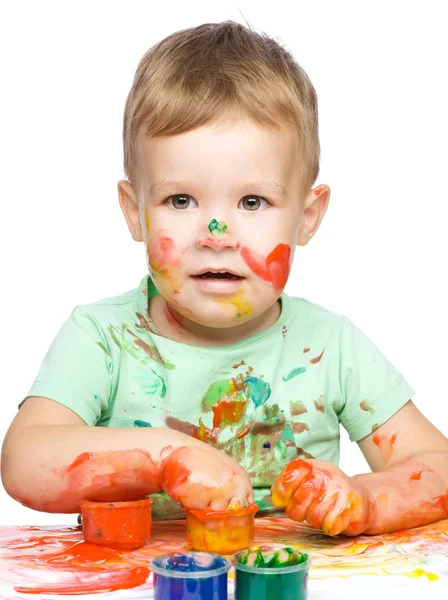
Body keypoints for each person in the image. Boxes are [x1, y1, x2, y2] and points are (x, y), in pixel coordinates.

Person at [2, 21, 447, 537]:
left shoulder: (331, 346)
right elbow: (23, 459)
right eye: (180, 200)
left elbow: (435, 461)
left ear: (307, 216)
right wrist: (167, 457)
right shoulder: (103, 339)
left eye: (252, 202)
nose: (217, 234)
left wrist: (368, 498)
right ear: (134, 212)